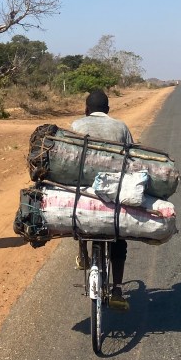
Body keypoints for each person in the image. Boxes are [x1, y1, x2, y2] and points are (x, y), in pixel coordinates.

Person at [70, 89, 133, 312]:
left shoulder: (77, 126)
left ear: (86, 110)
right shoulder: (121, 127)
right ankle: (117, 289)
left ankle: (82, 252)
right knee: (119, 240)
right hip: (112, 192)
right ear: (108, 110)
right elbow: (131, 158)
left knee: (77, 213)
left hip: (83, 190)